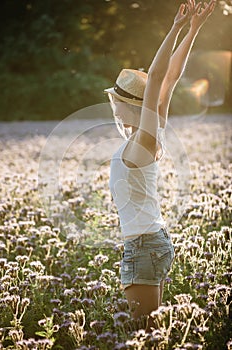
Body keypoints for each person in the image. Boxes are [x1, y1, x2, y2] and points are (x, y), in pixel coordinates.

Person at [105, 0, 216, 331]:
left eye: (119, 102)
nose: (115, 107)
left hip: (143, 246)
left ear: (129, 107)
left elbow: (156, 79)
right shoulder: (150, 133)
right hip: (147, 242)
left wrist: (176, 27)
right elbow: (169, 80)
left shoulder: (145, 139)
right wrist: (195, 28)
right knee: (148, 332)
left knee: (146, 335)